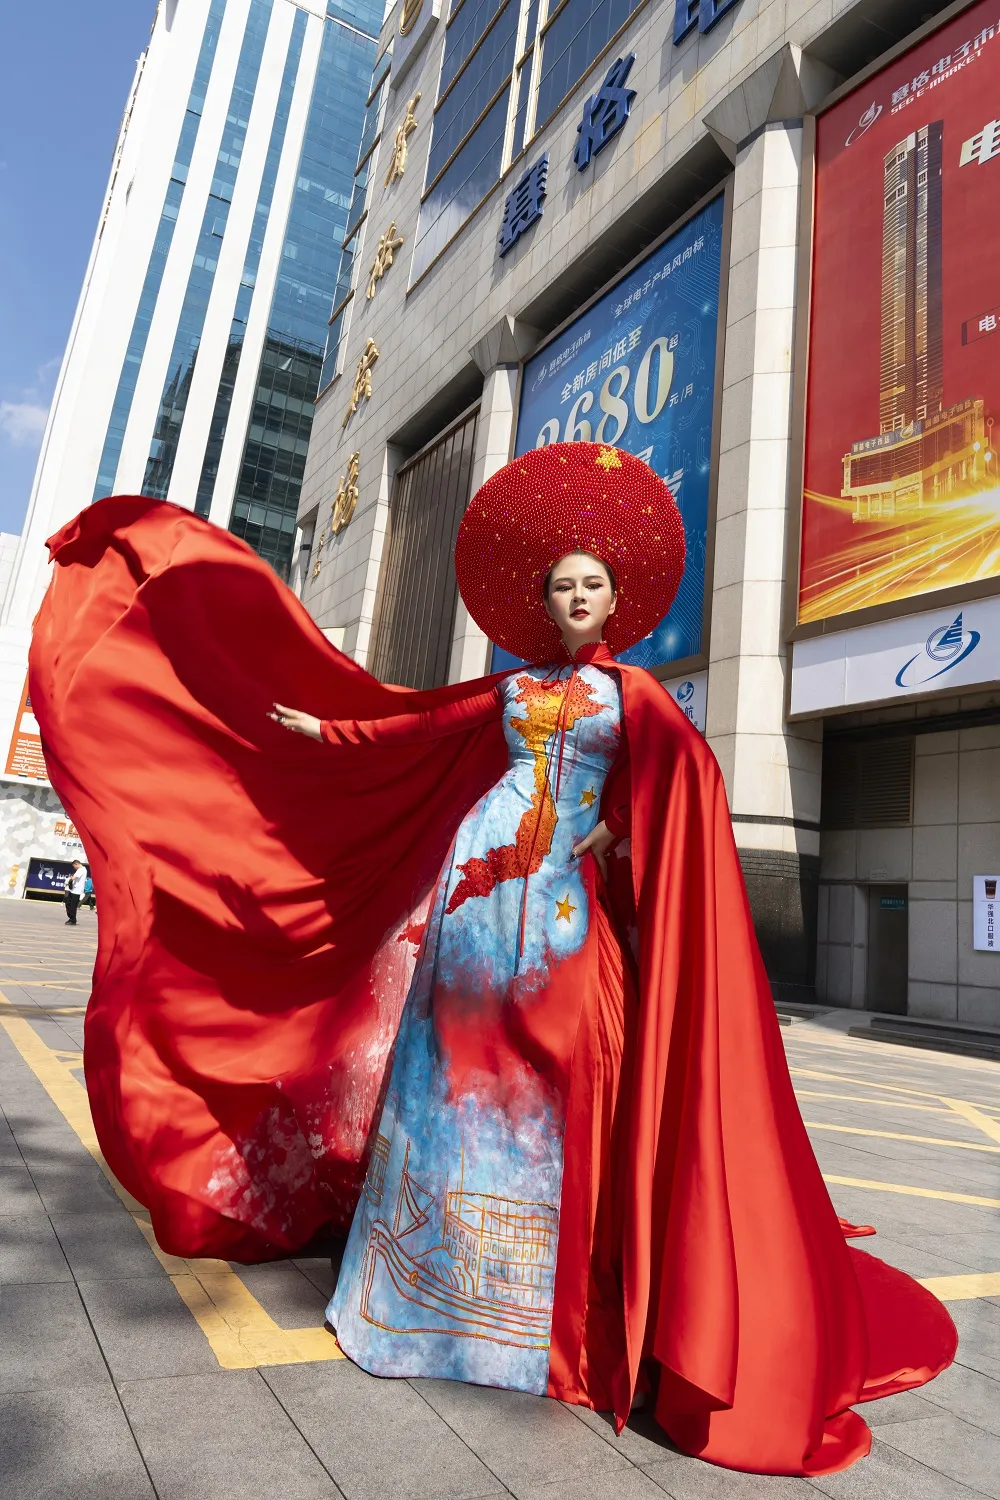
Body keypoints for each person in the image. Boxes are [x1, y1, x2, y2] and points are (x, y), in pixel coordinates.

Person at [26, 443, 955, 1478]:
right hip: (475, 900)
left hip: (560, 905)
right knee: (448, 1071)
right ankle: (417, 1298)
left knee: (557, 1073)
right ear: (543, 601)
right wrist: (309, 725)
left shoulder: (638, 697)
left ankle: (543, 1315)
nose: (575, 598)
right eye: (561, 586)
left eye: (591, 585)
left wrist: (618, 838)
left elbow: (681, 785)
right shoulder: (510, 689)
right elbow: (404, 724)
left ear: (616, 601)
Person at [64, 860, 87, 925]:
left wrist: (70, 878)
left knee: (72, 905)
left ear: (76, 864)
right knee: (69, 903)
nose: (74, 868)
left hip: (76, 891)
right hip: (75, 890)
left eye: (74, 866)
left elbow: (73, 878)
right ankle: (72, 918)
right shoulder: (83, 869)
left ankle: (72, 919)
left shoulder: (81, 870)